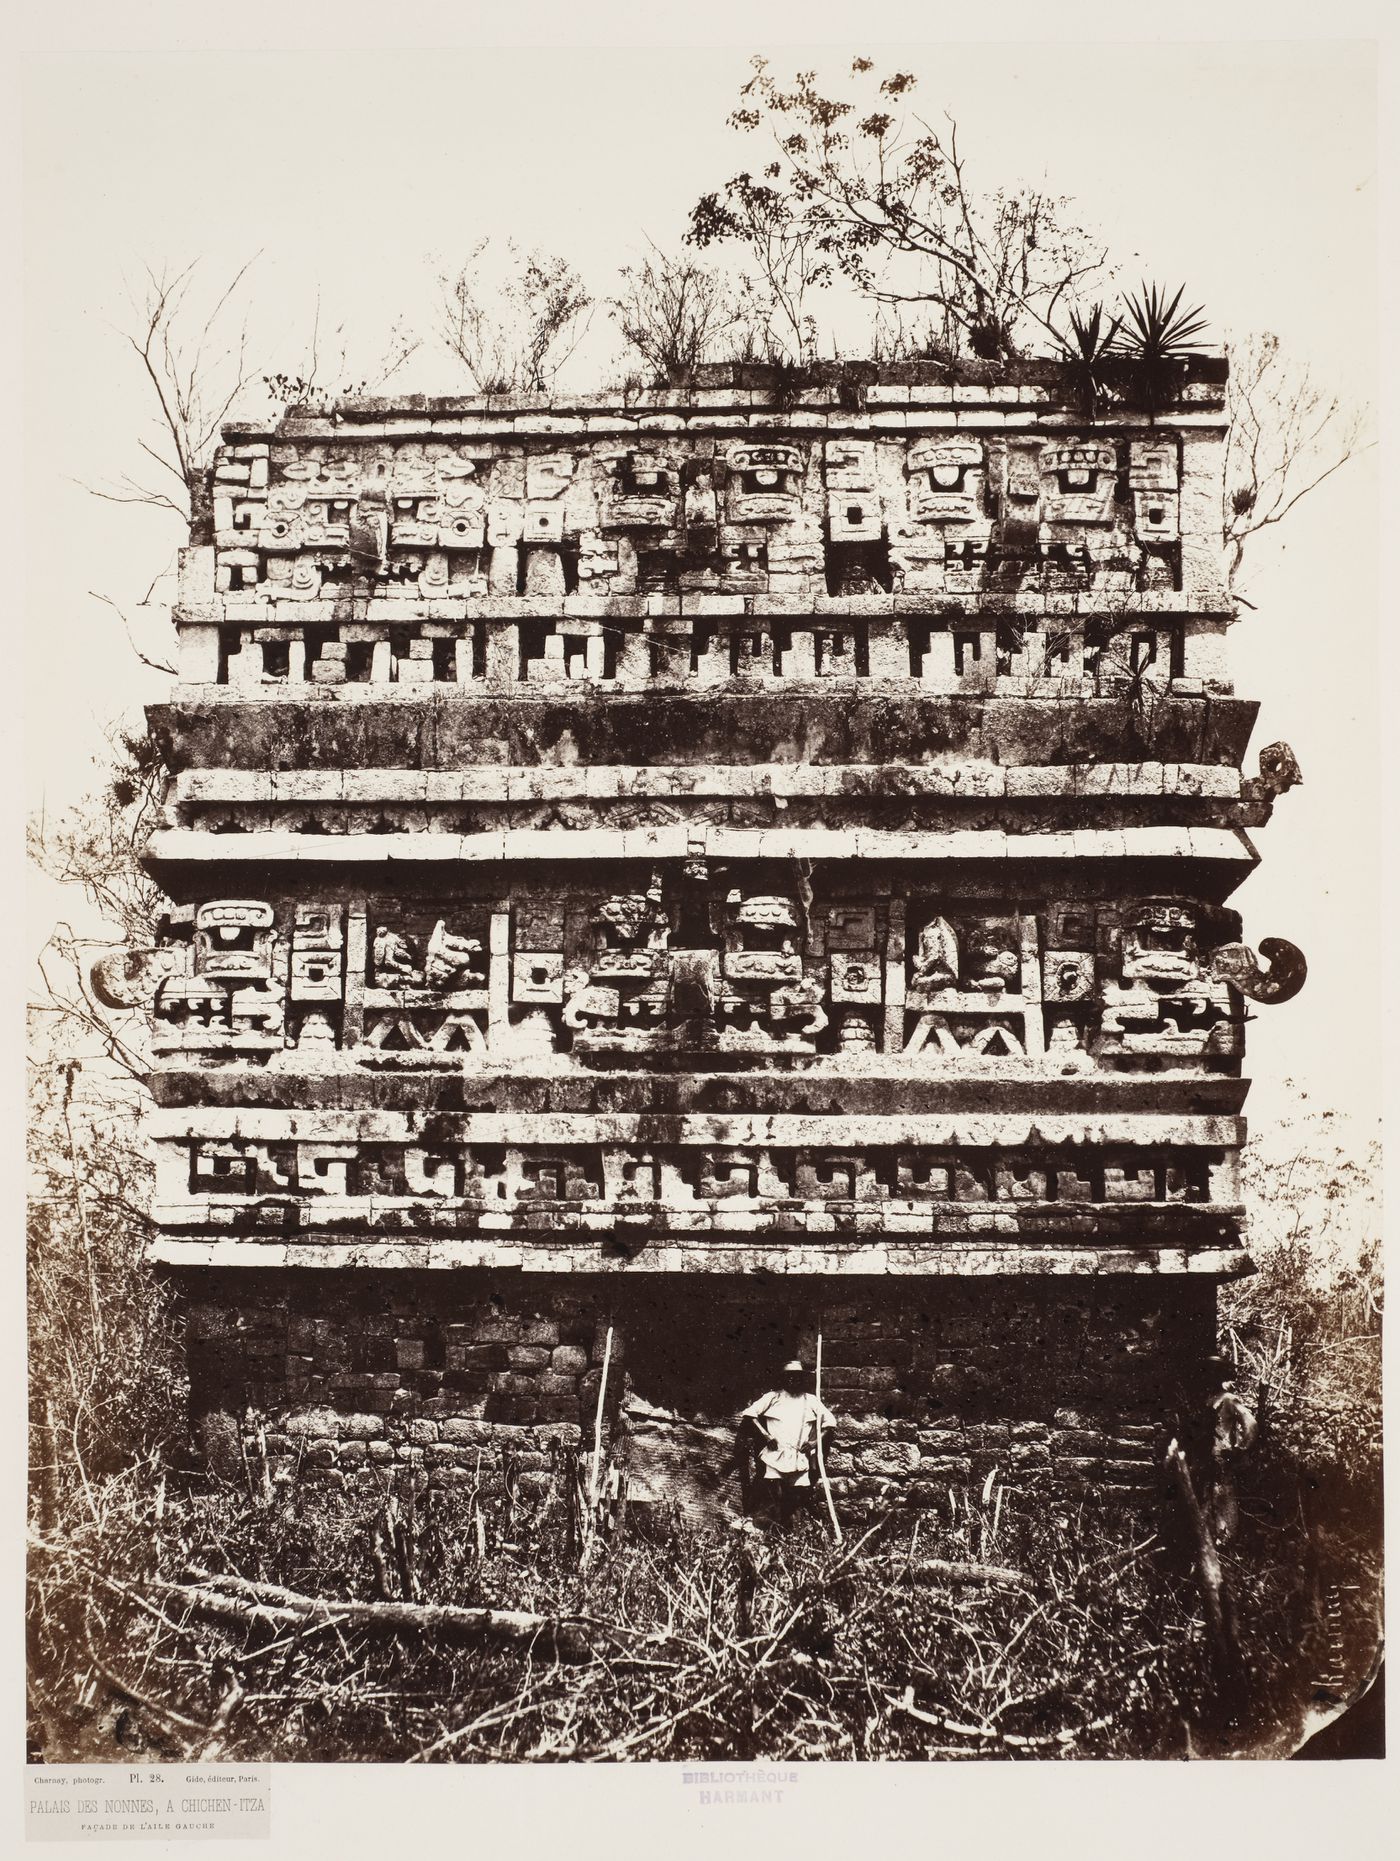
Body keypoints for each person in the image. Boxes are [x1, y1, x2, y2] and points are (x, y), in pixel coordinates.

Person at [738, 1360, 836, 1530]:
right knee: (773, 1495)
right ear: (783, 1379)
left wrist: (814, 1443)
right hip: (776, 1456)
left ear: (802, 1379)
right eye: (789, 1377)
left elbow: (830, 1424)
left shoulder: (810, 1401)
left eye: (797, 1377)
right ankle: (769, 1531)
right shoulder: (772, 1397)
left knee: (798, 1498)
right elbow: (749, 1414)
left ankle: (790, 1533)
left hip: (799, 1457)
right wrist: (765, 1435)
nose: (793, 1380)